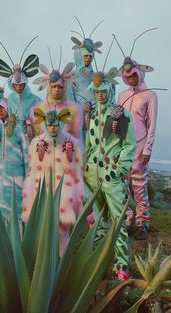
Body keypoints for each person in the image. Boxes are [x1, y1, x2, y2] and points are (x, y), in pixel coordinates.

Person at [84, 69, 135, 281]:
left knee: (118, 220)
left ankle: (121, 264)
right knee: (95, 221)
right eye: (96, 92)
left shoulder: (121, 114)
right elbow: (89, 142)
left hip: (111, 176)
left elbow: (129, 145)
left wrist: (118, 170)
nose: (100, 95)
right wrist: (86, 166)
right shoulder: (94, 113)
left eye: (103, 91)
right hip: (92, 176)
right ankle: (97, 261)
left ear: (111, 89)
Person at [22, 108, 85, 256]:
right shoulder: (36, 142)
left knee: (62, 230)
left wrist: (69, 157)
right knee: (42, 228)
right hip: (42, 191)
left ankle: (63, 262)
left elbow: (77, 168)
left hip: (64, 192)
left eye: (55, 125)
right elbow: (32, 169)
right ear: (45, 124)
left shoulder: (71, 142)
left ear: (60, 124)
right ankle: (41, 260)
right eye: (49, 125)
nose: (52, 128)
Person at [117, 58, 158, 240]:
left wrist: (147, 149)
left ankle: (143, 222)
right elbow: (116, 122)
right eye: (128, 76)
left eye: (134, 75)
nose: (132, 79)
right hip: (123, 146)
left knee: (139, 186)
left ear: (139, 74)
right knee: (123, 184)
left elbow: (152, 124)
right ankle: (126, 220)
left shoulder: (150, 95)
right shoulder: (122, 95)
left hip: (140, 146)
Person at [0, 87, 28, 222]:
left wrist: (28, 176)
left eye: (2, 107)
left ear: (7, 108)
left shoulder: (18, 129)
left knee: (16, 208)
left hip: (16, 175)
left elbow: (26, 153)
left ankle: (17, 239)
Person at [31, 58, 83, 141]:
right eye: (54, 86)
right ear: (49, 87)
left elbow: (77, 137)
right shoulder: (38, 108)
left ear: (64, 87)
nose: (56, 90)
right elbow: (36, 138)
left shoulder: (75, 109)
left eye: (60, 87)